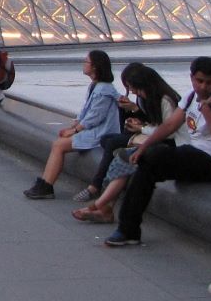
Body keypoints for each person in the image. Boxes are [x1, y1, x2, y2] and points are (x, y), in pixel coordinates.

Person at [105, 56, 211, 248]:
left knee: (155, 157)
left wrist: (207, 111)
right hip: (196, 153)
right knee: (147, 162)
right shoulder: (190, 97)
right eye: (199, 81)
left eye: (208, 83)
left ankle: (128, 229)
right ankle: (128, 230)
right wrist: (143, 147)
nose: (203, 87)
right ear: (192, 77)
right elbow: (169, 125)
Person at [72, 63, 183, 223]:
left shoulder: (166, 100)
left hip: (165, 144)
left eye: (132, 87)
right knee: (116, 149)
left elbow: (168, 131)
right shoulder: (146, 98)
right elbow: (155, 123)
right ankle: (103, 204)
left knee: (120, 153)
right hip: (153, 139)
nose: (131, 92)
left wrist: (142, 127)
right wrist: (134, 114)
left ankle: (99, 199)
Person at [25, 50, 119, 198]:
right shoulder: (96, 86)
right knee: (59, 143)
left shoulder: (104, 90)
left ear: (94, 67)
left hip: (101, 132)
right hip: (95, 129)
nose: (83, 64)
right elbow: (86, 111)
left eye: (86, 61)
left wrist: (75, 130)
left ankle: (47, 185)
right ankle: (45, 184)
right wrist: (74, 124)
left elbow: (95, 117)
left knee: (59, 145)